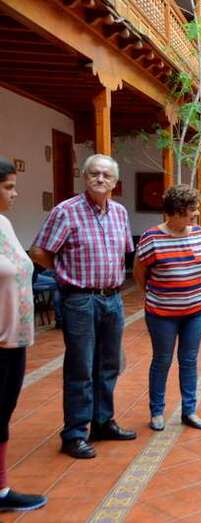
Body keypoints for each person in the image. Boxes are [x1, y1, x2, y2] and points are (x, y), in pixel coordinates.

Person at [31, 154, 136, 459]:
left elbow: (123, 253)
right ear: (84, 177)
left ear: (115, 182)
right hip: (80, 299)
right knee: (81, 367)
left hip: (112, 297)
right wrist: (64, 273)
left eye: (106, 175)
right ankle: (75, 433)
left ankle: (102, 422)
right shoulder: (66, 211)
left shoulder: (119, 213)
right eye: (94, 173)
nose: (100, 178)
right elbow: (39, 251)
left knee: (109, 364)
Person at [134, 185, 201, 432]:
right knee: (162, 360)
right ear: (176, 212)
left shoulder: (198, 233)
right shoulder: (152, 237)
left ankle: (189, 410)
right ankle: (157, 411)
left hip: (195, 311)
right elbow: (139, 272)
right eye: (192, 209)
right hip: (162, 314)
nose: (196, 213)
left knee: (189, 361)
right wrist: (153, 296)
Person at [0, 158, 47, 512]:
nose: (15, 194)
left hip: (14, 340)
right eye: (8, 187)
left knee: (3, 413)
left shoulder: (3, 223)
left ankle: (1, 488)